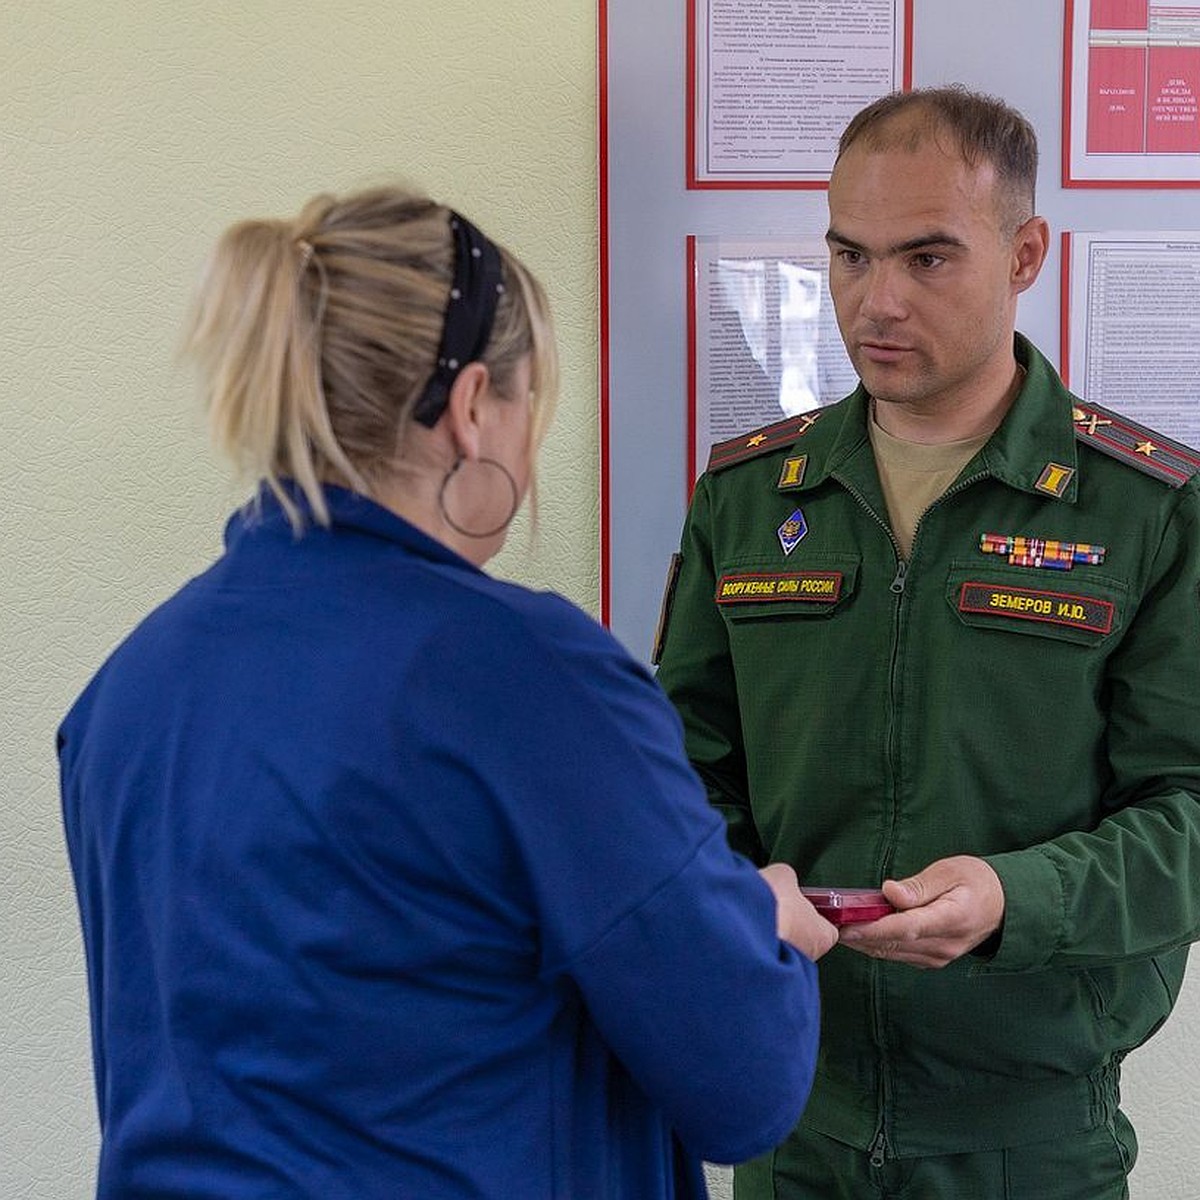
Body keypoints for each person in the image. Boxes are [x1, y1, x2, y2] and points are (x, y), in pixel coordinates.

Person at [58, 185, 836, 1200]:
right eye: (527, 404)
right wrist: (762, 932)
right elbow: (744, 1087)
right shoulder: (530, 679)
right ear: (472, 409)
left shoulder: (129, 688)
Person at [655, 86, 1200, 1199]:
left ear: (1027, 252)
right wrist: (729, 893)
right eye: (849, 256)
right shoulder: (751, 496)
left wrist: (1016, 900)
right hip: (792, 1109)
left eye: (928, 258)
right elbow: (681, 774)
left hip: (1031, 1134)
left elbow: (1189, 817)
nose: (876, 301)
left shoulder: (1145, 511)